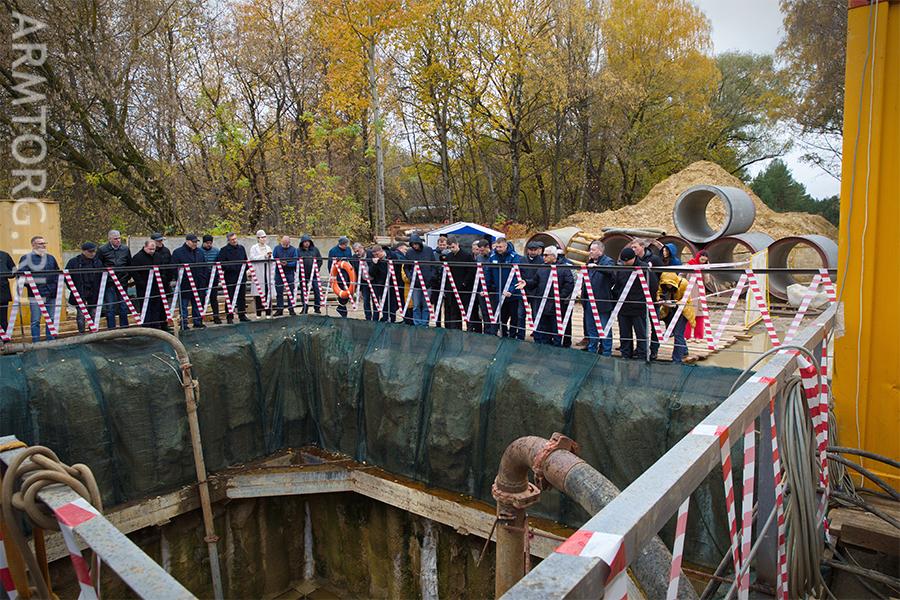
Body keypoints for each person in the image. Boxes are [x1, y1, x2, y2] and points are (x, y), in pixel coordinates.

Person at [518, 245, 573, 346]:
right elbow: (535, 281)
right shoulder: (542, 267)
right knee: (544, 329)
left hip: (556, 305)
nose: (543, 257)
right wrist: (526, 282)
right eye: (543, 255)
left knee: (556, 329)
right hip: (542, 304)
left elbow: (569, 284)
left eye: (546, 255)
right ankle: (545, 349)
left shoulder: (563, 268)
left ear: (553, 256)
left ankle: (556, 350)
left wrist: (559, 297)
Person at [18, 236, 60, 342]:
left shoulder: (51, 258)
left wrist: (55, 286)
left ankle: (50, 341)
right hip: (36, 294)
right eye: (40, 243)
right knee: (35, 320)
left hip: (51, 293)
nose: (43, 245)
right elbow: (21, 276)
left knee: (51, 319)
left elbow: (57, 272)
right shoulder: (26, 258)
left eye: (44, 243)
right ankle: (36, 343)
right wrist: (33, 286)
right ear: (33, 245)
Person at [651, 272, 696, 363]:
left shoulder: (684, 283)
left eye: (670, 284)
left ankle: (676, 359)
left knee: (678, 333)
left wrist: (675, 303)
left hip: (683, 310)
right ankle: (684, 351)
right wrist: (660, 299)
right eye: (666, 285)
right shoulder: (662, 284)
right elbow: (658, 293)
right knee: (676, 331)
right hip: (669, 309)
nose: (668, 286)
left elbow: (686, 299)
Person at [583, 241, 616, 356]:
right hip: (588, 302)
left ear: (600, 251)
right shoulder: (589, 262)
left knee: (604, 328)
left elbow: (612, 272)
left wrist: (598, 267)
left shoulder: (608, 261)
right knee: (591, 328)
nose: (590, 252)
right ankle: (592, 350)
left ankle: (606, 352)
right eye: (590, 250)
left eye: (593, 250)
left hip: (602, 301)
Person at [615, 247, 649, 359]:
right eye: (623, 261)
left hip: (638, 307)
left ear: (633, 258)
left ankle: (642, 355)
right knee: (624, 334)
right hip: (623, 307)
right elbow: (617, 286)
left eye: (627, 261)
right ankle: (626, 354)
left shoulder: (644, 268)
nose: (625, 263)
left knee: (641, 333)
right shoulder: (622, 269)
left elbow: (651, 286)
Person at [485, 238, 522, 339]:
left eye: (500, 247)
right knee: (502, 317)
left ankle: (513, 336)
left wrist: (511, 290)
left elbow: (517, 276)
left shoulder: (514, 257)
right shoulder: (493, 257)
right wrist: (487, 288)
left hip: (512, 294)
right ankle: (504, 335)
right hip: (499, 293)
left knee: (514, 317)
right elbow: (488, 272)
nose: (498, 249)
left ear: (506, 246)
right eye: (496, 247)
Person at [172, 234, 209, 330]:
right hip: (185, 283)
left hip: (199, 282)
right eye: (193, 242)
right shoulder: (178, 252)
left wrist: (204, 278)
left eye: (196, 242)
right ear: (187, 241)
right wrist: (179, 279)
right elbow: (174, 268)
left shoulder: (200, 252)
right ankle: (184, 323)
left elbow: (205, 266)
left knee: (197, 303)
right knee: (183, 305)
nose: (195, 244)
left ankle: (197, 321)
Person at [65, 242, 104, 333]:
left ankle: (93, 332)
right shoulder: (74, 262)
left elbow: (102, 277)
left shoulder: (98, 262)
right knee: (81, 315)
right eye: (90, 251)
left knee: (94, 314)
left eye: (94, 251)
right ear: (83, 251)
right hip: (80, 292)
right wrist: (73, 289)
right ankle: (81, 333)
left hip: (94, 292)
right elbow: (67, 277)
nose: (93, 254)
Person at [98, 229, 132, 329]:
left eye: (119, 238)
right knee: (110, 307)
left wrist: (127, 277)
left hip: (122, 280)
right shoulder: (102, 250)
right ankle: (111, 329)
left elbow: (129, 264)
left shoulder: (125, 249)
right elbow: (99, 265)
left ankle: (125, 328)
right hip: (109, 282)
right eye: (115, 238)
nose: (118, 240)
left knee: (123, 305)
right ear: (110, 239)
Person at [131, 240, 168, 330]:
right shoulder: (138, 257)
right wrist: (141, 283)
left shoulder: (157, 256)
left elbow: (162, 269)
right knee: (145, 307)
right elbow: (134, 272)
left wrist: (162, 279)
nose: (152, 251)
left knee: (156, 306)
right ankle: (146, 326)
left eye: (153, 249)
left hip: (156, 286)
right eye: (150, 249)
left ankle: (156, 325)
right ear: (145, 247)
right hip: (143, 287)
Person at [403, 234, 437, 326]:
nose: (415, 246)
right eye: (413, 244)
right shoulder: (409, 253)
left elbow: (434, 265)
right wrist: (410, 277)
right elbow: (406, 267)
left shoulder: (428, 250)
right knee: (416, 305)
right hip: (415, 283)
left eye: (416, 244)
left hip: (427, 283)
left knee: (426, 305)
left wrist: (431, 276)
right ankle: (417, 323)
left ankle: (425, 323)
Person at [217, 233, 250, 323]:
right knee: (230, 297)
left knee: (241, 297)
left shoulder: (241, 248)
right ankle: (229, 316)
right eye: (232, 240)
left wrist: (245, 268)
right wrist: (233, 267)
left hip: (241, 276)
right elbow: (221, 264)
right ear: (228, 240)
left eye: (235, 239)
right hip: (230, 277)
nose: (235, 241)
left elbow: (245, 260)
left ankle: (242, 314)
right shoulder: (224, 250)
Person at [444, 236, 475, 330]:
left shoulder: (467, 255)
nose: (451, 249)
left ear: (457, 244)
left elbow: (471, 271)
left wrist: (464, 283)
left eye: (453, 247)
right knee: (454, 311)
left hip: (464, 289)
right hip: (452, 288)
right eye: (449, 248)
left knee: (467, 310)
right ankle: (456, 330)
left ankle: (470, 329)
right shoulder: (448, 257)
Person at [518, 241, 544, 335]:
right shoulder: (522, 260)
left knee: (536, 314)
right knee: (521, 314)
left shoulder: (542, 261)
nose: (533, 252)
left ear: (538, 250)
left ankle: (537, 335)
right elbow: (518, 273)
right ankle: (520, 334)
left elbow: (541, 277)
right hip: (523, 290)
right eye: (531, 250)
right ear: (527, 250)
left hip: (536, 291)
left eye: (535, 250)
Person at [469, 239, 493, 334]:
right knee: (484, 311)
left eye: (482, 250)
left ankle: (492, 330)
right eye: (479, 250)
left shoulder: (493, 257)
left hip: (491, 289)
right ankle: (486, 330)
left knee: (491, 311)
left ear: (488, 248)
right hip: (480, 289)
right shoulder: (479, 258)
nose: (480, 252)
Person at [685, 250, 709, 340]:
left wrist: (706, 270)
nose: (703, 260)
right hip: (690, 290)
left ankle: (698, 336)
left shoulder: (705, 267)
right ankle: (686, 335)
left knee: (700, 313)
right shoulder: (690, 264)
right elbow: (681, 274)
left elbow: (707, 281)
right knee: (689, 312)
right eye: (702, 257)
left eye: (705, 259)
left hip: (700, 290)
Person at [249, 230, 273, 318]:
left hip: (267, 271)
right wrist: (263, 257)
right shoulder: (254, 248)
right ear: (258, 238)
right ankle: (258, 313)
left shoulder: (268, 248)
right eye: (262, 237)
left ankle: (268, 312)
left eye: (264, 237)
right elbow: (252, 258)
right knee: (258, 293)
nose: (263, 239)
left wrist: (269, 257)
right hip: (258, 272)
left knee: (267, 292)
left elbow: (272, 258)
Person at [328, 236, 354, 318]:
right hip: (338, 273)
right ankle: (342, 307)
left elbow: (351, 260)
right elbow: (330, 264)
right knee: (342, 288)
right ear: (340, 244)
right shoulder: (333, 251)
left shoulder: (348, 250)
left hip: (347, 272)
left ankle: (341, 306)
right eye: (344, 244)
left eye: (346, 244)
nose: (345, 246)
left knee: (349, 289)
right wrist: (332, 275)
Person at [273, 235, 299, 316]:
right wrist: (279, 263)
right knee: (279, 291)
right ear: (281, 242)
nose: (284, 246)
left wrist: (287, 264)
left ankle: (291, 309)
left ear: (289, 243)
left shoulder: (293, 250)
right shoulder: (276, 248)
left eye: (286, 244)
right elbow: (273, 258)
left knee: (290, 291)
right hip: (278, 273)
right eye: (283, 244)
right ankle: (279, 309)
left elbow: (295, 261)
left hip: (289, 273)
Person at [297, 234, 322, 314]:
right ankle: (305, 308)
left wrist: (316, 269)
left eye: (308, 241)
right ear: (302, 243)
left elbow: (320, 260)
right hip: (303, 275)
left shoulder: (315, 250)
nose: (306, 243)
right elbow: (296, 261)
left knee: (317, 290)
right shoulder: (298, 251)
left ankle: (317, 308)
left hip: (314, 274)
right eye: (305, 242)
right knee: (304, 292)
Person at [200, 235, 222, 324]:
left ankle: (216, 316)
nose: (209, 245)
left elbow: (219, 262)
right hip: (203, 276)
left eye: (210, 243)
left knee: (213, 297)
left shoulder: (216, 251)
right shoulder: (199, 251)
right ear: (203, 243)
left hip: (213, 276)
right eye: (207, 243)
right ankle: (200, 318)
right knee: (202, 297)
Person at [365, 244, 389, 322]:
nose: (376, 256)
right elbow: (371, 273)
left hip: (388, 282)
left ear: (381, 251)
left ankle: (386, 317)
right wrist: (374, 264)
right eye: (374, 255)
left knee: (386, 301)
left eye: (377, 254)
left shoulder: (389, 256)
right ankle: (375, 318)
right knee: (375, 301)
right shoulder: (375, 260)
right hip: (377, 282)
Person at [351, 242, 374, 320]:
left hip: (374, 280)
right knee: (366, 300)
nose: (357, 253)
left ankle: (376, 317)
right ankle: (368, 317)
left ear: (362, 248)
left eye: (358, 251)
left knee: (375, 300)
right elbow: (356, 273)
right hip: (363, 281)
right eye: (355, 252)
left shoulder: (371, 254)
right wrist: (359, 288)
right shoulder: (354, 258)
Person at [1, 249, 15, 334]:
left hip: (2, 292)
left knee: (3, 317)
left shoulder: (4, 255)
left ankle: (4, 339)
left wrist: (6, 272)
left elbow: (13, 271)